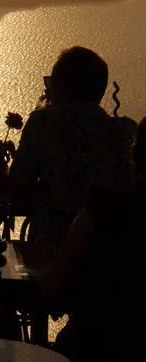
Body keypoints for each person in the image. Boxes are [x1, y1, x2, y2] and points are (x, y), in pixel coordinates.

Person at [34, 114, 144, 362]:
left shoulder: (103, 209)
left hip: (93, 345)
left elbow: (55, 285)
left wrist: (42, 263)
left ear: (137, 155)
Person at [9, 46, 136, 249]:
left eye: (51, 83)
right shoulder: (125, 130)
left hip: (50, 243)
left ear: (62, 86)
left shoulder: (43, 123)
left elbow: (20, 184)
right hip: (109, 245)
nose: (47, 89)